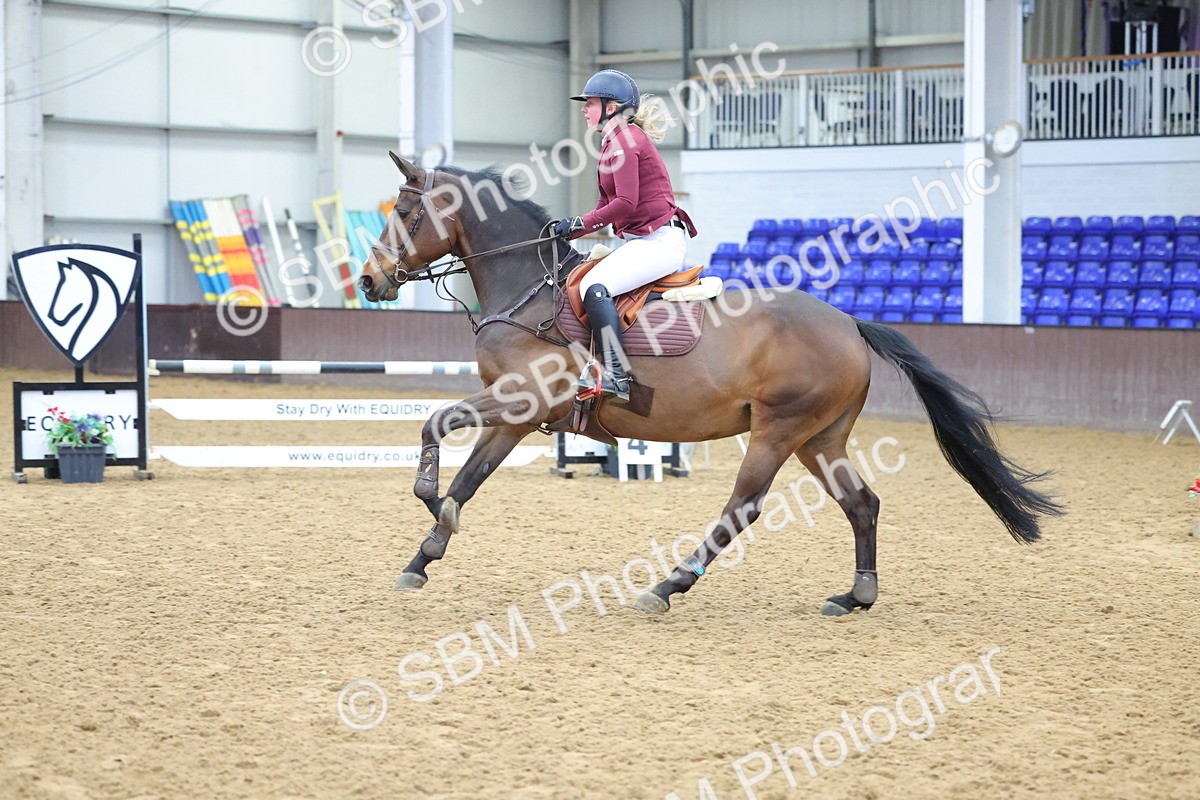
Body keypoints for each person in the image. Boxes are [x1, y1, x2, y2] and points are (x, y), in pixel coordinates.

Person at [553, 69, 697, 404]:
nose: (584, 109)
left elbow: (625, 204)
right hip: (640, 241)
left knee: (594, 288)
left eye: (589, 103)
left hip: (661, 241)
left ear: (611, 106)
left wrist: (576, 224)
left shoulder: (628, 142)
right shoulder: (611, 144)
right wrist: (570, 230)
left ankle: (616, 375)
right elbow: (605, 204)